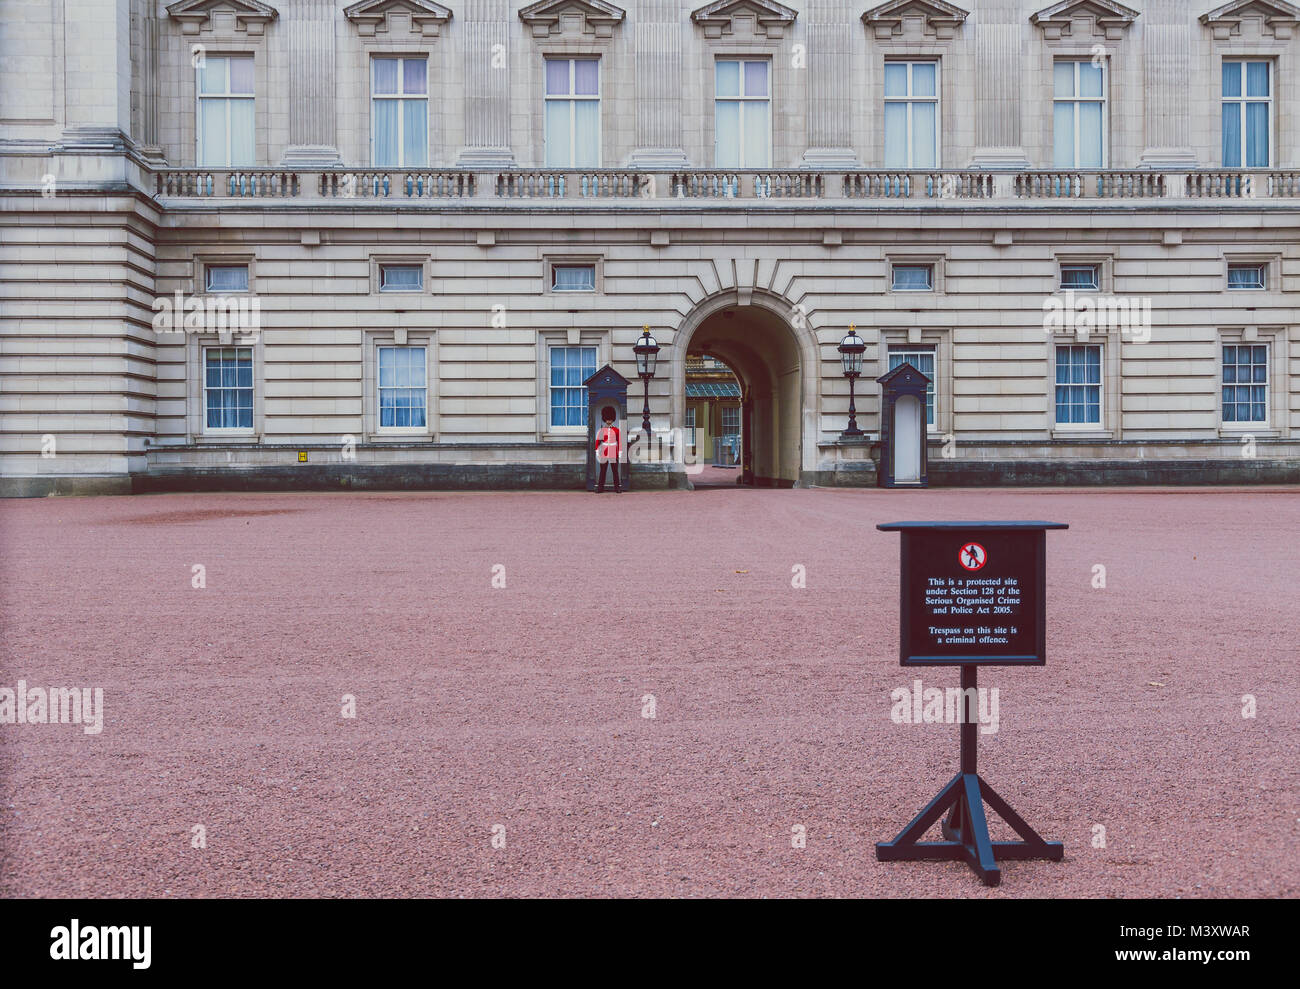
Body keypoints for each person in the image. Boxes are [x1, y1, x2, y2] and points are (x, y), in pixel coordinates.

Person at [594, 405, 622, 493]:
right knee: (603, 471)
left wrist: (620, 451)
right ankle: (600, 488)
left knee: (615, 471)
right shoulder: (602, 430)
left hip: (614, 451)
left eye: (610, 419)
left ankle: (617, 487)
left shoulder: (617, 430)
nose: (609, 421)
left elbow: (620, 441)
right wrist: (597, 451)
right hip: (604, 451)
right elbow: (598, 441)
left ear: (613, 419)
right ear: (605, 419)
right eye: (607, 419)